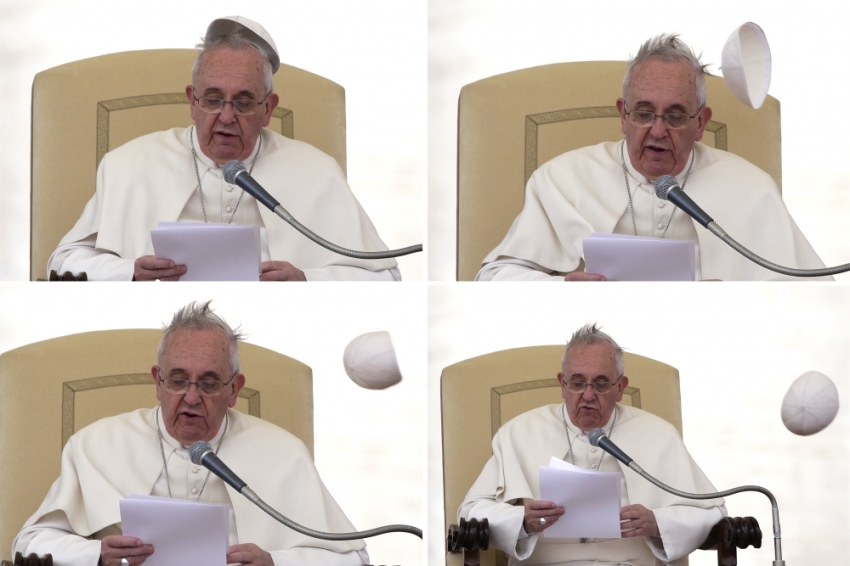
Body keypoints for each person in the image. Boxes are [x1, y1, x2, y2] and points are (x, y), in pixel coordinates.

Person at [13, 301, 368, 566]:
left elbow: (355, 559)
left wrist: (276, 561)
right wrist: (95, 554)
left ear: (234, 389)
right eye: (179, 381)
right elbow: (28, 543)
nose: (192, 397)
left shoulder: (284, 453)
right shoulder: (95, 445)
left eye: (210, 383)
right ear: (158, 382)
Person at [48, 16, 400, 282]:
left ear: (268, 109)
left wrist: (308, 280)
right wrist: (129, 273)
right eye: (213, 100)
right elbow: (62, 262)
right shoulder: (128, 163)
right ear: (192, 101)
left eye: (244, 103)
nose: (227, 117)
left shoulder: (317, 171)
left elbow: (387, 278)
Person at [476, 34, 828, 281]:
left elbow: (805, 291)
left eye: (675, 117)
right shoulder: (562, 180)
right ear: (623, 115)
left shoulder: (751, 189)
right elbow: (493, 278)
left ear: (701, 123)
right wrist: (561, 289)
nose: (658, 131)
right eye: (644, 114)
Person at [459, 324, 725, 565]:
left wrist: (658, 522)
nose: (587, 395)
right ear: (562, 384)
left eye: (600, 384)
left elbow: (713, 512)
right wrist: (522, 521)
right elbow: (470, 512)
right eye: (577, 383)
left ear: (620, 388)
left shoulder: (659, 435)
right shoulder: (518, 433)